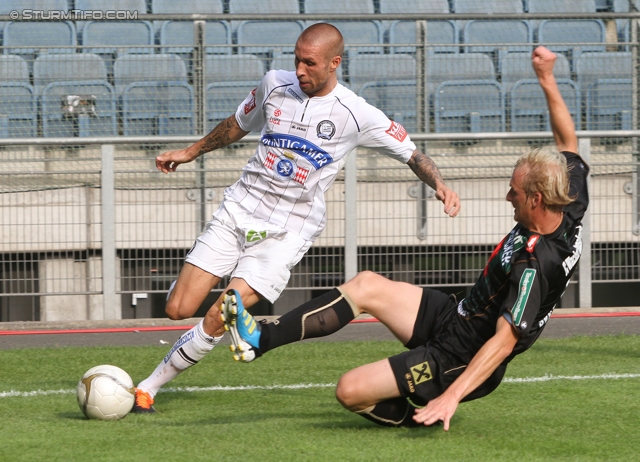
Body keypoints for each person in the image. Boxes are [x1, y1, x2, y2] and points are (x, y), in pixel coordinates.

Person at [221, 46, 589, 429]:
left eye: (514, 191)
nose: (507, 196)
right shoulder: (570, 195)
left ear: (537, 198)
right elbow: (568, 143)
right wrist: (547, 77)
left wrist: (450, 397)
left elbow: (504, 342)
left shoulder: (536, 264)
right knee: (366, 285)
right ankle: (259, 340)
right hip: (455, 314)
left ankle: (423, 416)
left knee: (349, 391)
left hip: (460, 357)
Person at [132, 23, 460, 413]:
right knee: (178, 309)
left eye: (310, 63)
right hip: (240, 208)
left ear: (335, 63)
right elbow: (237, 123)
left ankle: (147, 389)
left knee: (225, 310)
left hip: (287, 230)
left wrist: (440, 184)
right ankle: (198, 298)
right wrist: (190, 152)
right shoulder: (274, 84)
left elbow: (412, 154)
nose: (300, 69)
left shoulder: (356, 113)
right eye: (297, 60)